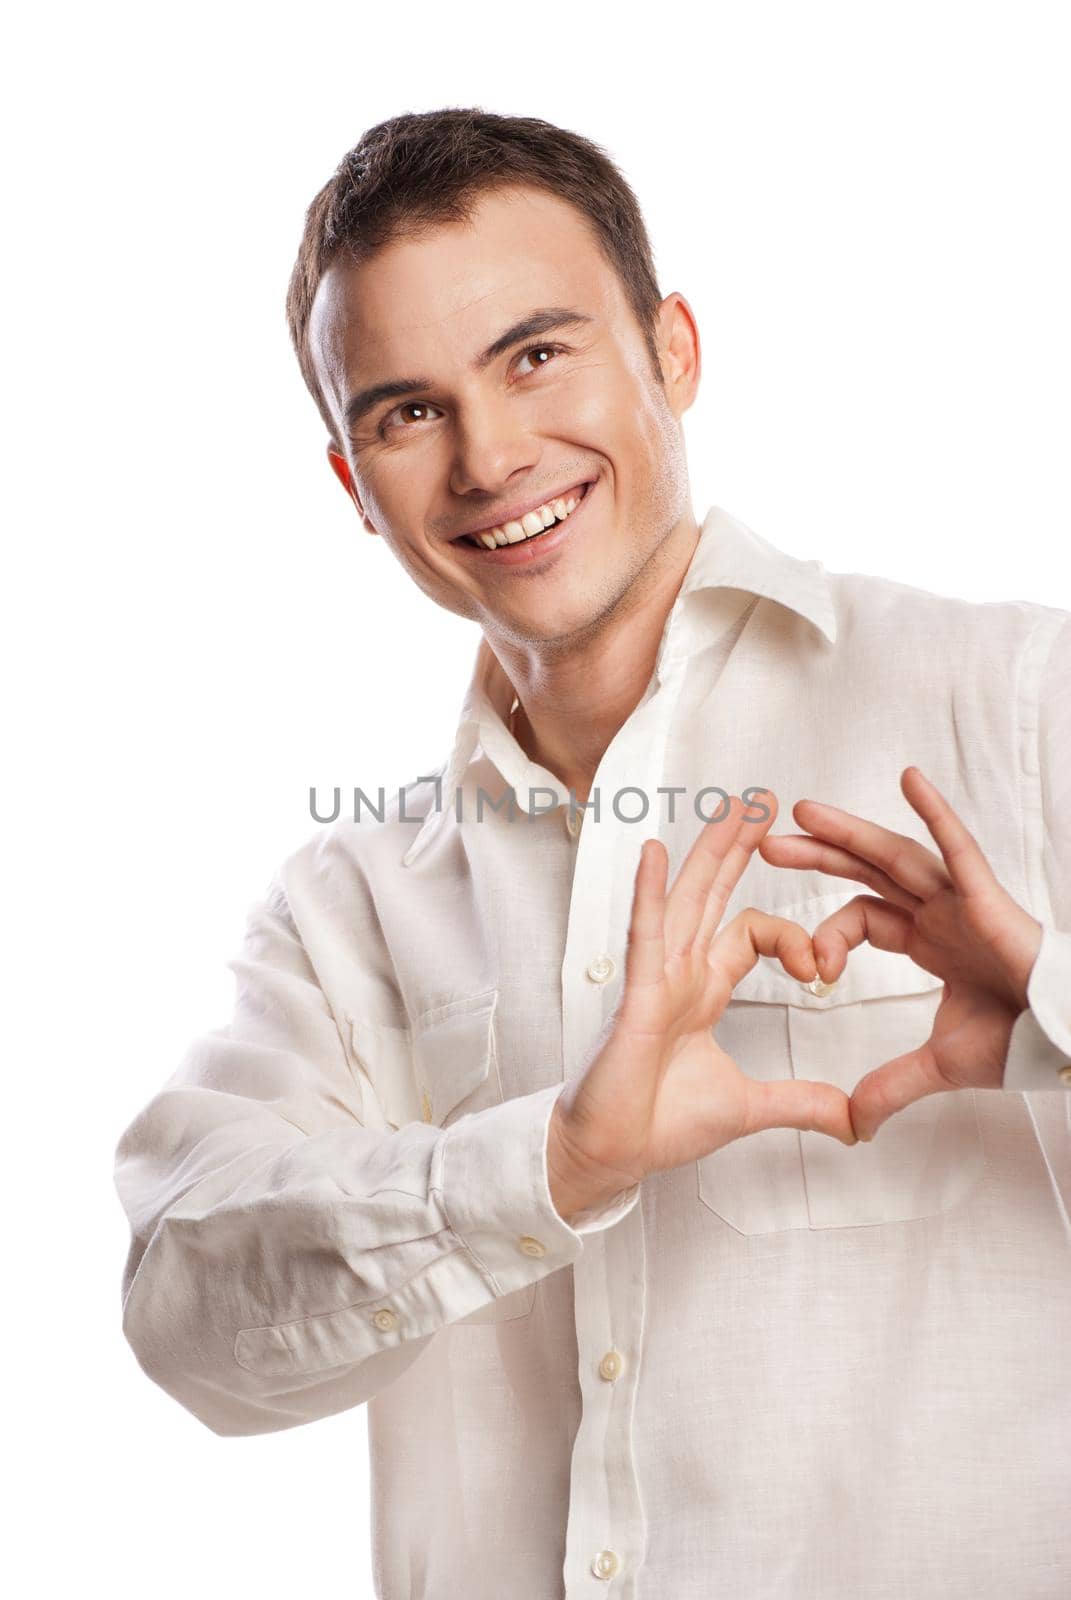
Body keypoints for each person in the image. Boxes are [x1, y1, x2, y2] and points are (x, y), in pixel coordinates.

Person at [113, 108, 1071, 1599]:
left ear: (673, 349)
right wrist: (552, 1166)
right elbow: (187, 1318)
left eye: (536, 354)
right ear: (353, 485)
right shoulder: (346, 909)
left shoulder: (1016, 711)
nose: (490, 457)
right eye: (406, 411)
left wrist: (1059, 1013)